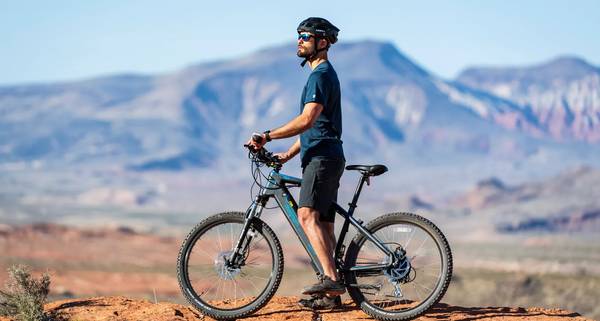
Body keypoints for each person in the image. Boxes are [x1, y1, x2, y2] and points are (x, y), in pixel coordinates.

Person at [246, 17, 345, 309]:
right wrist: (287, 155)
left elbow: (307, 120)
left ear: (322, 42)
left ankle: (330, 278)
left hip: (322, 158)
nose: (299, 41)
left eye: (305, 36)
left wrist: (267, 135)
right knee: (324, 224)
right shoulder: (324, 75)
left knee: (306, 215)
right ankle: (331, 295)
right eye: (298, 36)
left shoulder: (320, 75)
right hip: (327, 154)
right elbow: (317, 126)